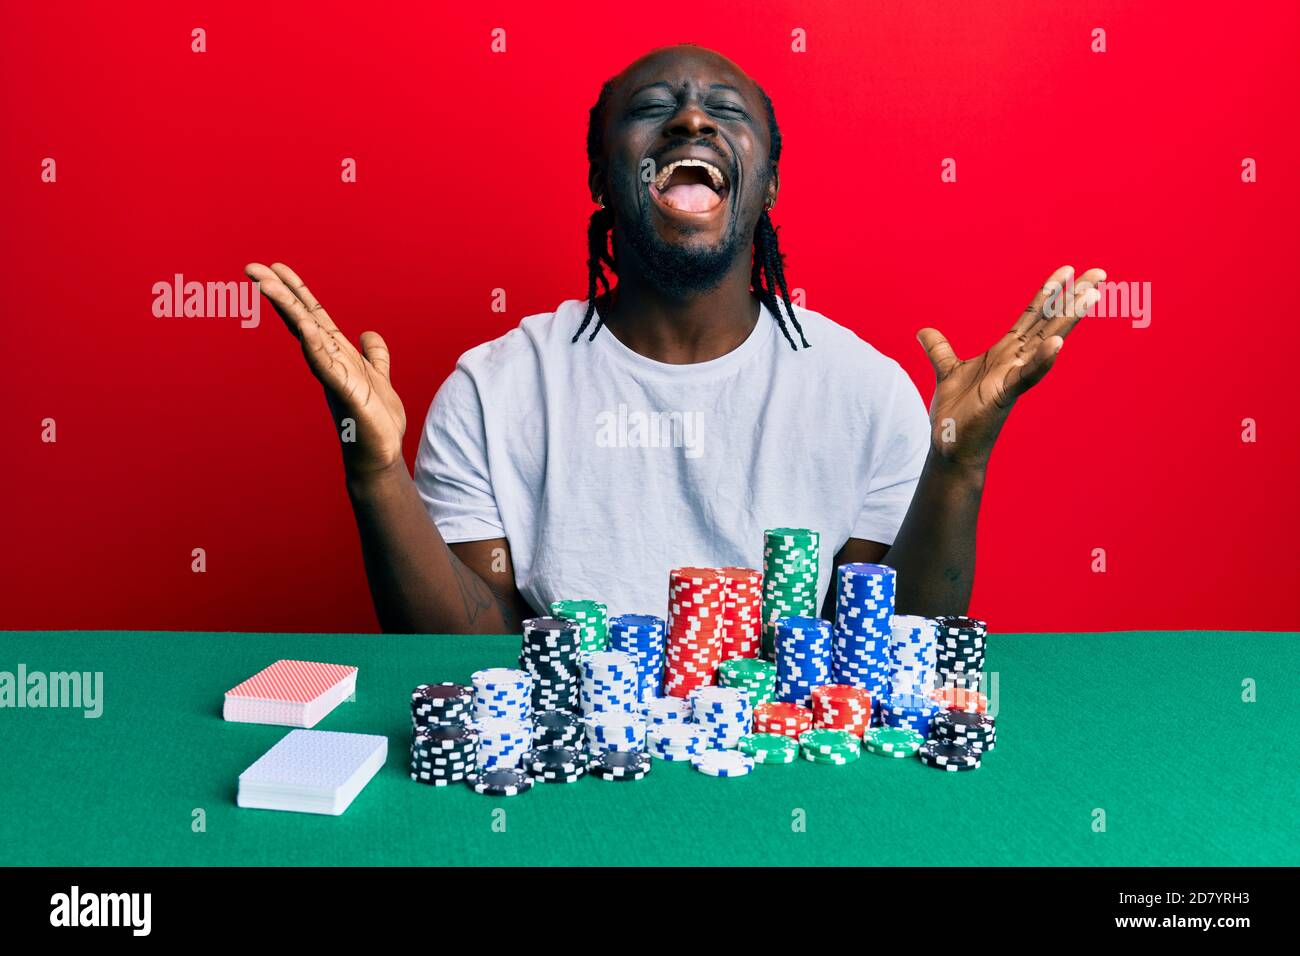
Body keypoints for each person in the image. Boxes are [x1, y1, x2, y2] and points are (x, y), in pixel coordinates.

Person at [245, 44, 1102, 635]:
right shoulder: (496, 388)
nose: (692, 122)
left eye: (724, 112)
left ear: (764, 181)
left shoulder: (866, 394)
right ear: (600, 176)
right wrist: (374, 470)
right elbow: (470, 649)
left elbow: (882, 654)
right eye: (654, 110)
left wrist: (958, 464)